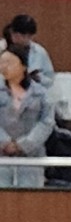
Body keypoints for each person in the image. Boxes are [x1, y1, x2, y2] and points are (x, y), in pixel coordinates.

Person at [0, 47, 51, 188]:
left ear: (23, 66)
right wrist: (5, 142)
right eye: (2, 63)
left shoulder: (41, 93)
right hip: (2, 155)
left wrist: (23, 145)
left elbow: (46, 122)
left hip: (31, 157)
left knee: (30, 194)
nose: (4, 67)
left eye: (9, 63)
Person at [9, 14, 54, 89]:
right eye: (22, 36)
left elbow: (50, 79)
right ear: (12, 33)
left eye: (29, 36)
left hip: (33, 93)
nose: (26, 39)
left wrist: (39, 78)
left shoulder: (39, 52)